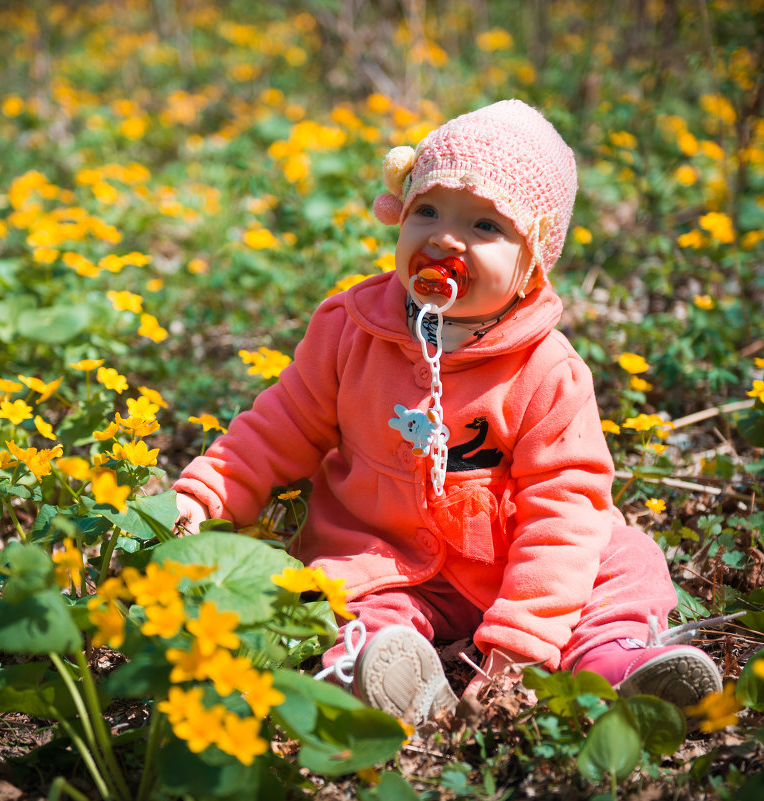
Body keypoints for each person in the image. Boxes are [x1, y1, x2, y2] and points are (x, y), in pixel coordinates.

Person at [172, 99, 722, 728]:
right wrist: (207, 494)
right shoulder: (351, 330)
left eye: (486, 226)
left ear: (533, 260)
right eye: (426, 211)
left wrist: (518, 647)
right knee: (334, 597)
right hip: (382, 561)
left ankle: (610, 663)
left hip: (517, 559)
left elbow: (564, 509)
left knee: (624, 556)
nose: (444, 238)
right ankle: (383, 670)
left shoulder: (548, 371)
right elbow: (278, 428)